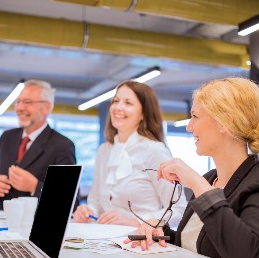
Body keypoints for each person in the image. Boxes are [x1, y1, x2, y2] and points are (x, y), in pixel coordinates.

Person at [125, 77, 259, 258]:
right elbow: (197, 244)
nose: (189, 127)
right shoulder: (210, 178)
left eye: (195, 116)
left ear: (225, 122)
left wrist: (197, 184)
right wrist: (161, 232)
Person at [73, 80, 186, 227]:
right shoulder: (104, 150)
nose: (118, 107)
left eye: (128, 103)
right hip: (102, 241)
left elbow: (179, 210)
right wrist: (87, 210)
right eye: (116, 101)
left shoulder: (154, 151)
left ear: (143, 113)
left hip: (139, 241)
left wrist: (134, 221)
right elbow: (95, 202)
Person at [0, 79, 76, 210]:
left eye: (27, 102)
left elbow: (69, 200)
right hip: (1, 224)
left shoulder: (63, 145)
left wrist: (34, 186)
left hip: (35, 225)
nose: (20, 108)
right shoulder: (6, 137)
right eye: (18, 102)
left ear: (46, 108)